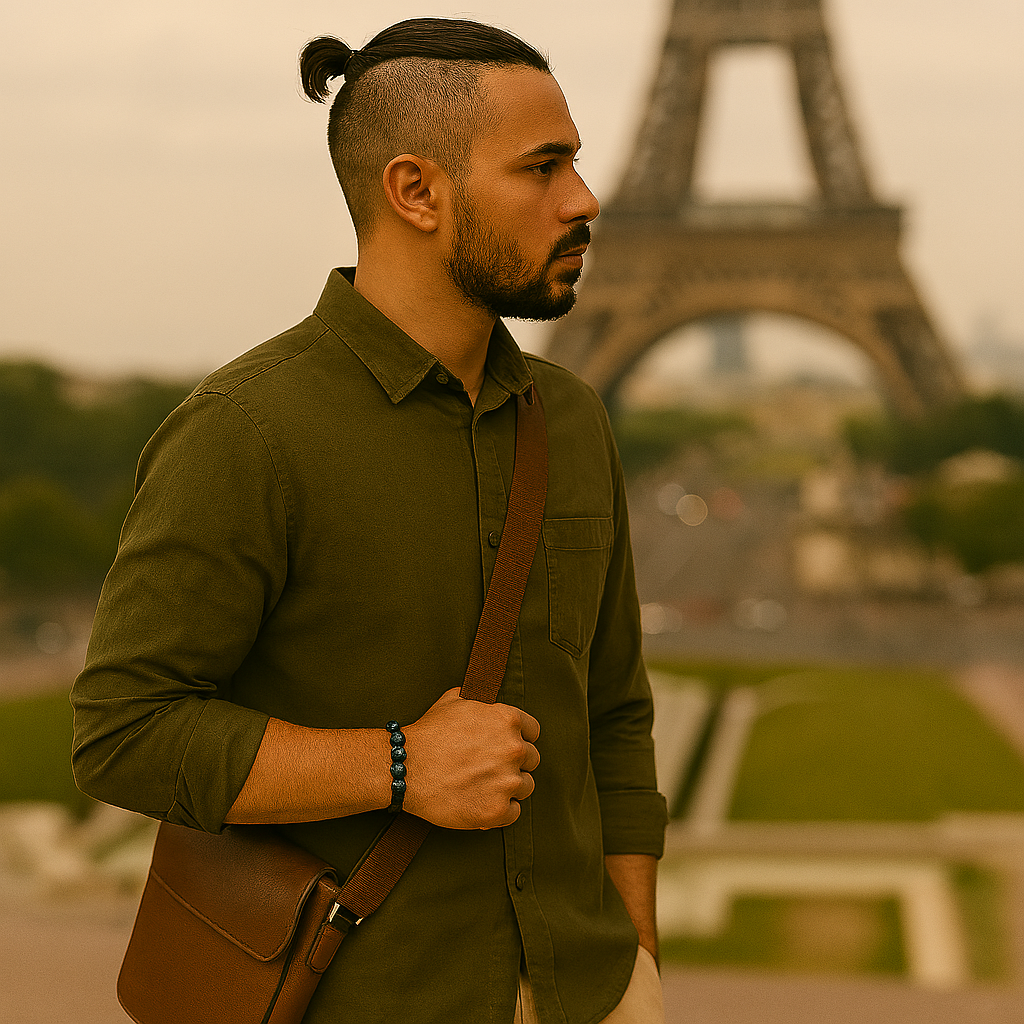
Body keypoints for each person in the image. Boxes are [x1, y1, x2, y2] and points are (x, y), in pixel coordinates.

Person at [71, 17, 668, 1024]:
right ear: (416, 191)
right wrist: (399, 764)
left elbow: (611, 708)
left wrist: (635, 954)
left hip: (593, 992)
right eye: (542, 166)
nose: (583, 197)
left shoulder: (569, 419)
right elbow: (124, 732)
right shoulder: (246, 432)